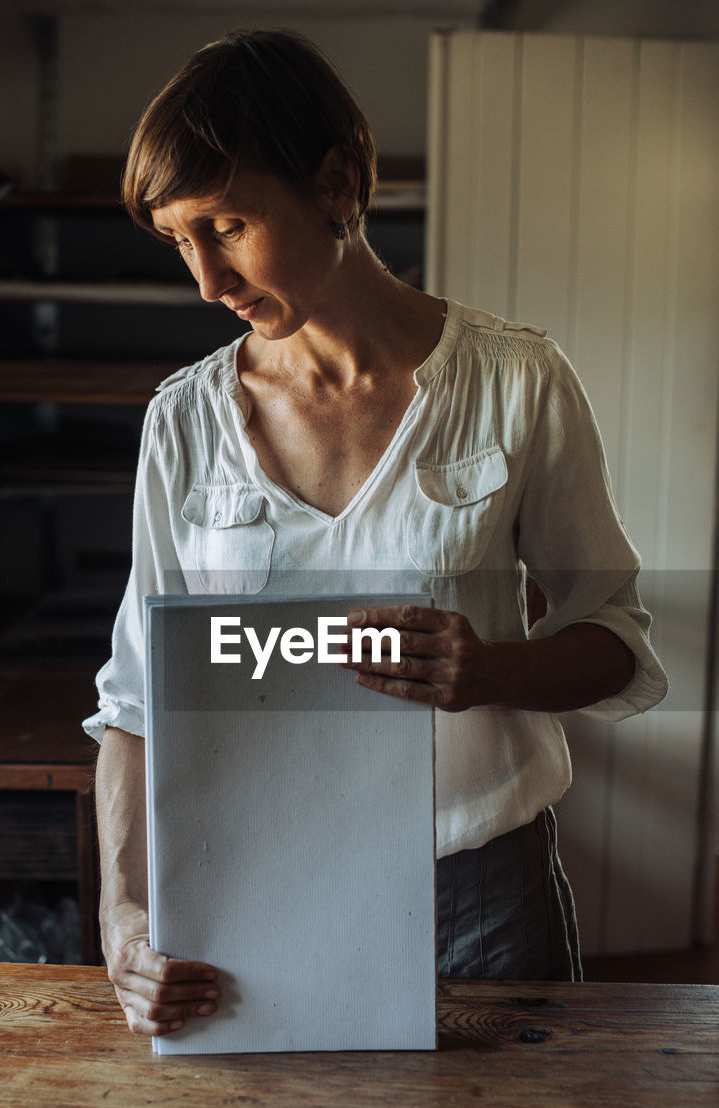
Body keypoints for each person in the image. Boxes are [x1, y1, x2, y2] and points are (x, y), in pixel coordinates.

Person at [83, 29, 668, 1036]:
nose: (206, 283)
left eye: (224, 223)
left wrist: (489, 672)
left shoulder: (515, 382)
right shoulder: (183, 422)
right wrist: (123, 912)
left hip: (486, 893)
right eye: (179, 241)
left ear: (338, 183)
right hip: (255, 885)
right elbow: (137, 704)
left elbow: (613, 643)